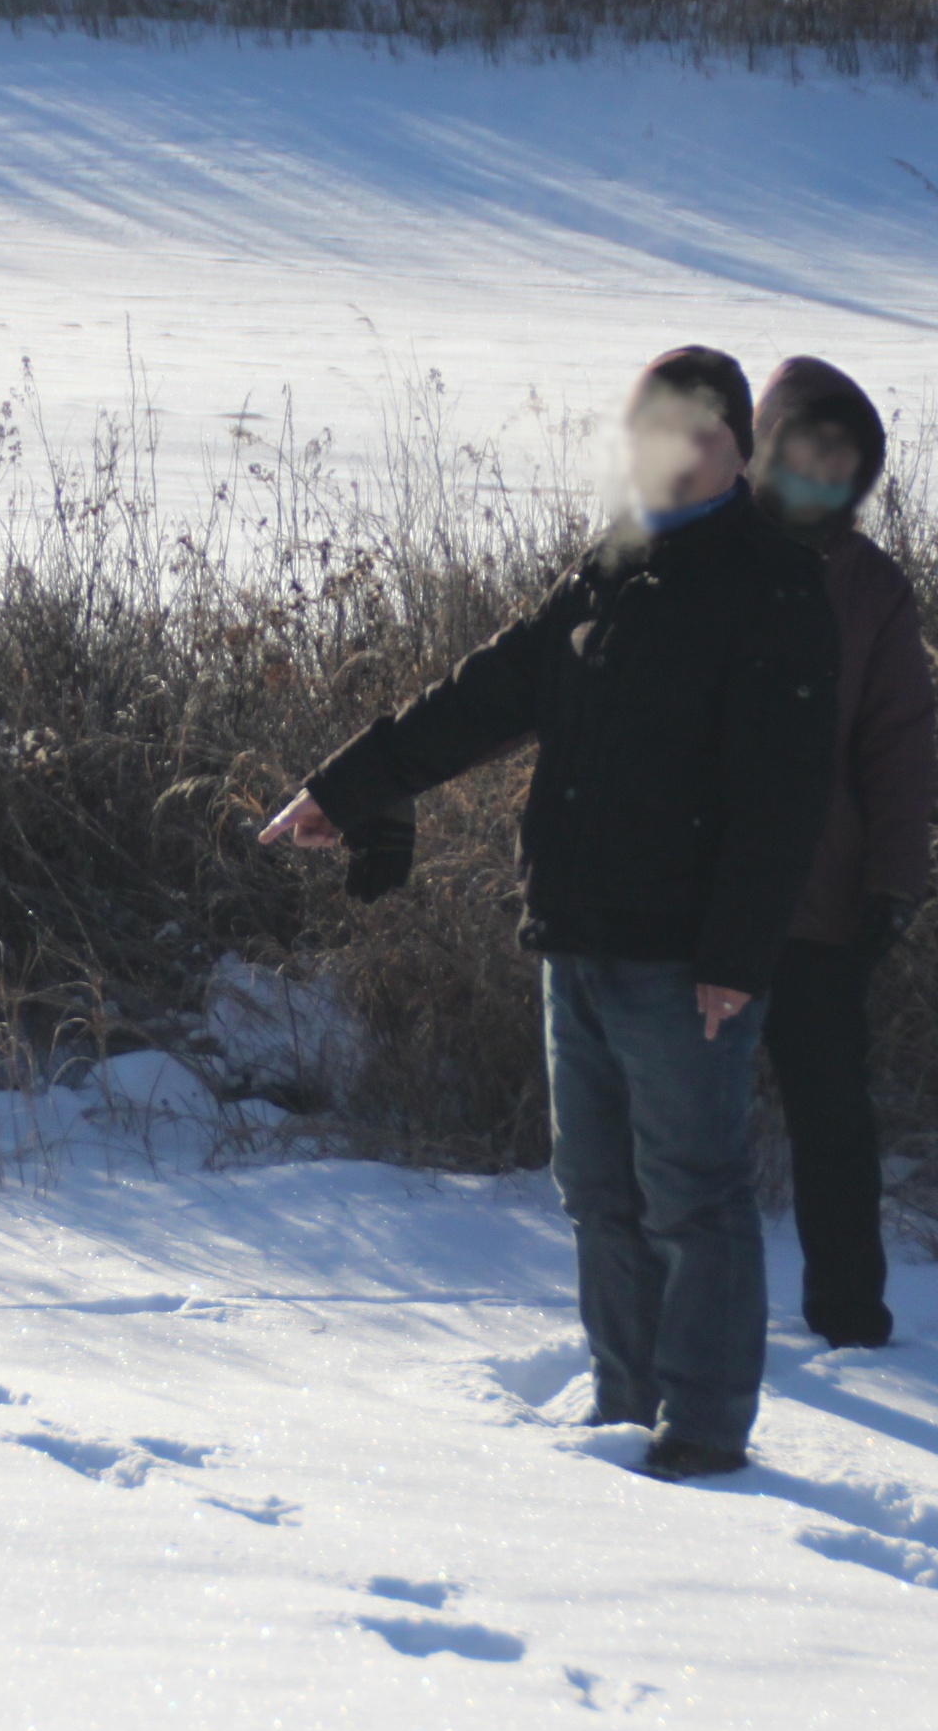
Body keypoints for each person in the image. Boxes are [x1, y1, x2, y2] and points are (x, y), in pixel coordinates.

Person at [260, 347, 843, 1479]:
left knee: (694, 1194)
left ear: (738, 449)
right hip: (575, 941)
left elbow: (785, 801)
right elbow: (482, 698)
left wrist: (736, 954)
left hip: (689, 965)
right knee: (598, 1196)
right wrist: (345, 790)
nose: (666, 456)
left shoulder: (773, 587)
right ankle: (626, 1412)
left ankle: (708, 1431)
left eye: (693, 435)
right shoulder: (609, 572)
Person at [749, 358, 937, 1351]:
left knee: (834, 1122)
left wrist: (893, 884)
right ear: (766, 446)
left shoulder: (871, 590)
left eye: (846, 459)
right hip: (690, 903)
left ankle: (850, 1314)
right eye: (809, 449)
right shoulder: (700, 555)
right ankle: (677, 1313)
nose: (826, 471)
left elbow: (899, 745)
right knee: (681, 1132)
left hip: (818, 908)